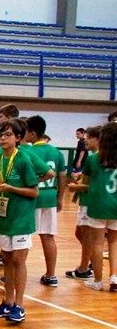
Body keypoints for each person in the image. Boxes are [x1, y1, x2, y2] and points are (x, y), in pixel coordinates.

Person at [0, 119, 39, 323]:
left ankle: (19, 305)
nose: (3, 139)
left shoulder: (23, 159)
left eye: (7, 135)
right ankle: (7, 302)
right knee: (6, 259)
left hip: (21, 218)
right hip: (5, 217)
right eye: (0, 135)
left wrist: (11, 188)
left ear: (17, 138)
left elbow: (34, 191)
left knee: (18, 260)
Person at [73, 122, 117, 292]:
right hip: (115, 205)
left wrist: (74, 187)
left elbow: (85, 184)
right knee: (113, 243)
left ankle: (98, 280)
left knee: (97, 243)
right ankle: (114, 276)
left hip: (98, 204)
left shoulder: (93, 159)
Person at [26, 116, 67, 288]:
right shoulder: (56, 152)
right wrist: (60, 198)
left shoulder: (28, 152)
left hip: (33, 196)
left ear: (33, 134)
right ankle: (51, 275)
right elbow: (62, 176)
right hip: (50, 196)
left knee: (24, 237)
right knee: (48, 237)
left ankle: (14, 273)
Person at [66, 126, 100, 280]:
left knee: (86, 235)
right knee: (80, 233)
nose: (86, 140)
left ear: (98, 140)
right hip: (86, 200)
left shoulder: (97, 158)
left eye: (90, 137)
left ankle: (84, 268)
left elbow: (94, 184)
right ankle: (94, 262)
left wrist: (75, 187)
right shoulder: (94, 157)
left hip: (90, 201)